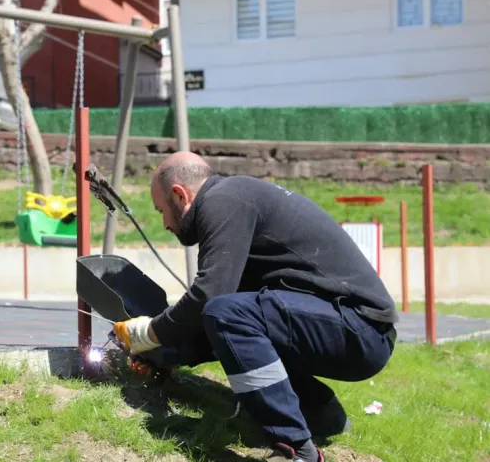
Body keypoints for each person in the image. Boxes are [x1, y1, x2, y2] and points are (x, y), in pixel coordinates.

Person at [112, 152, 398, 462]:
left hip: (360, 328)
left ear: (179, 195)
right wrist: (167, 355)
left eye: (161, 210)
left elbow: (210, 299)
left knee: (226, 313)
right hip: (349, 326)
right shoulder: (235, 200)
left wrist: (148, 333)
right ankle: (320, 413)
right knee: (231, 315)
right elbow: (221, 325)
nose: (165, 223)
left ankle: (295, 450)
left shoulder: (223, 201)